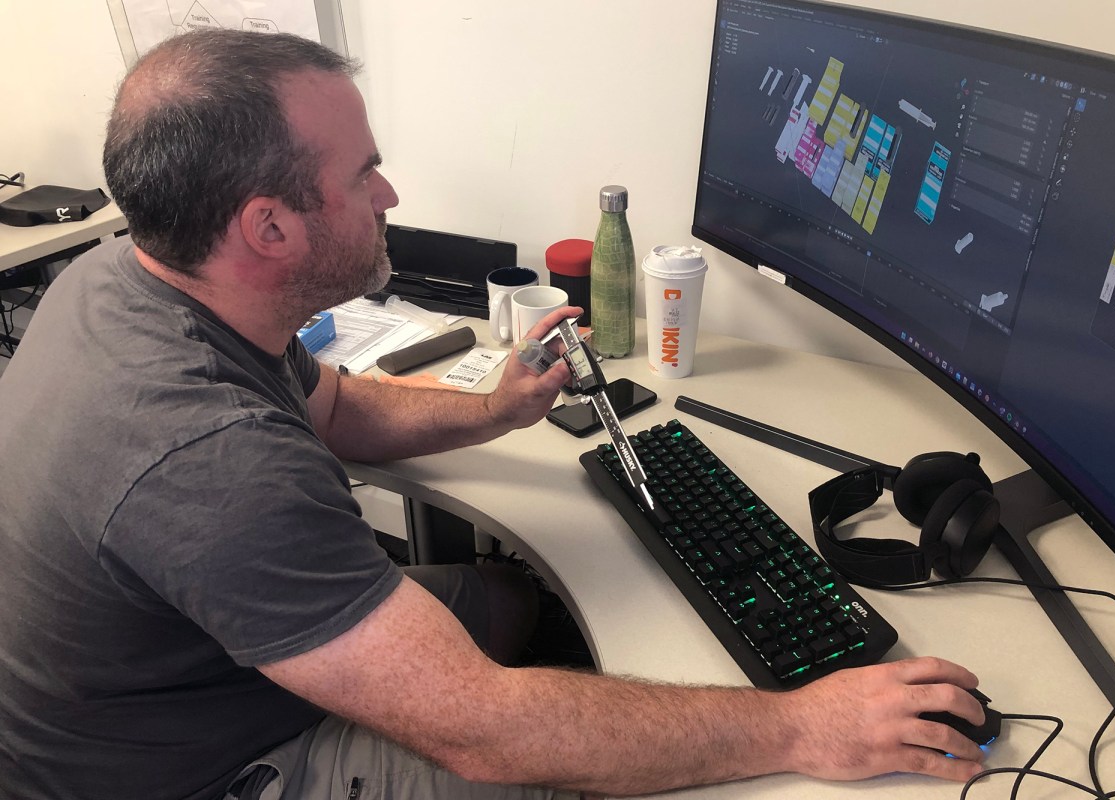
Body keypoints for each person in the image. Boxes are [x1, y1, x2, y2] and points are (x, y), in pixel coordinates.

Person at [0, 28, 990, 800]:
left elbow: (336, 406)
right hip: (189, 769)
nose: (389, 192)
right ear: (267, 226)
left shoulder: (124, 276)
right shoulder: (212, 462)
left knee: (518, 604)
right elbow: (484, 729)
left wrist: (501, 404)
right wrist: (799, 723)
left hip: (177, 678)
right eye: (362, 175)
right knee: (580, 770)